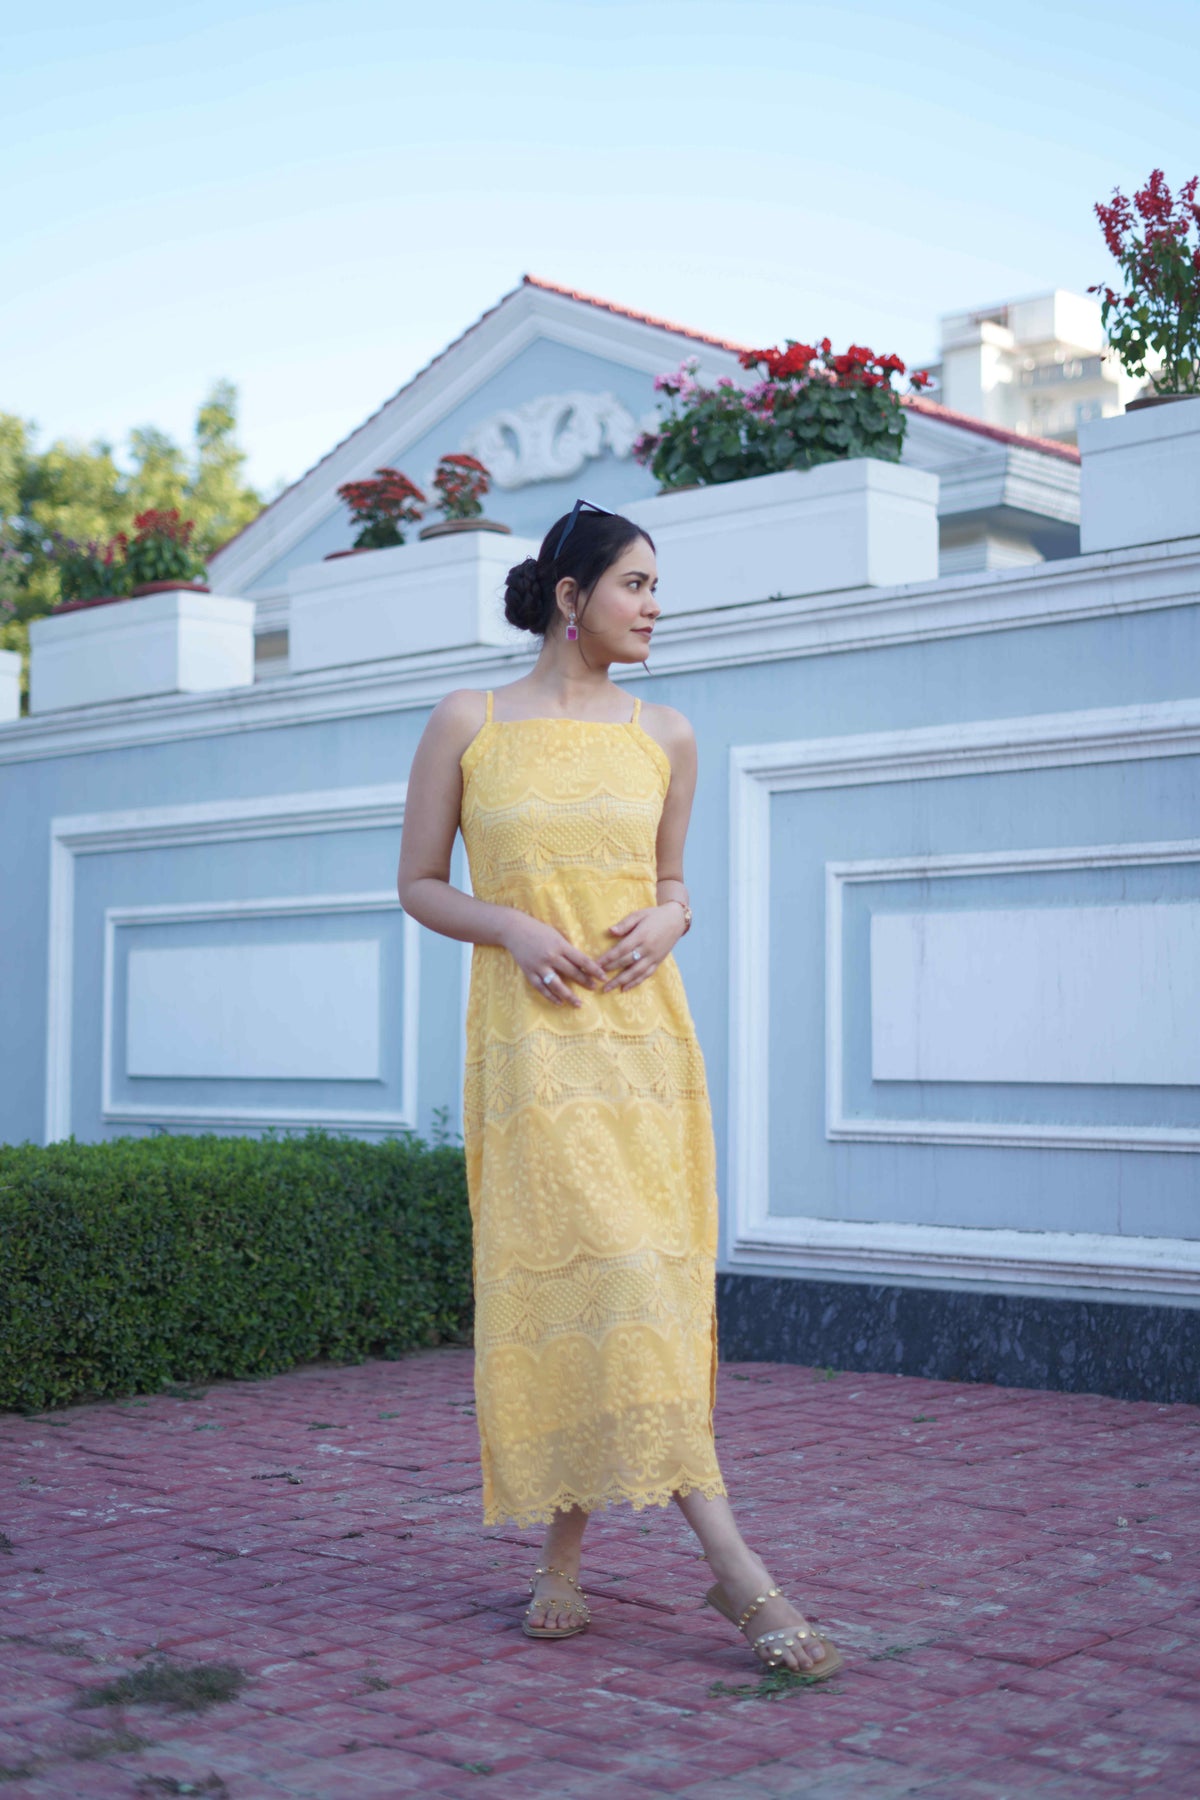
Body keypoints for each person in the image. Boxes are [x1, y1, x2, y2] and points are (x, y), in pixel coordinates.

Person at [397, 499, 840, 1677]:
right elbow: (418, 883)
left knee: (640, 1285)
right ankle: (737, 1570)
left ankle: (560, 1562)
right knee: (597, 1277)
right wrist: (509, 927)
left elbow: (679, 882)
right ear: (568, 595)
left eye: (656, 588)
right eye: (636, 585)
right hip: (533, 1054)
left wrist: (671, 917)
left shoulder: (668, 735)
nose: (655, 607)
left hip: (644, 1049)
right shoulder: (469, 721)